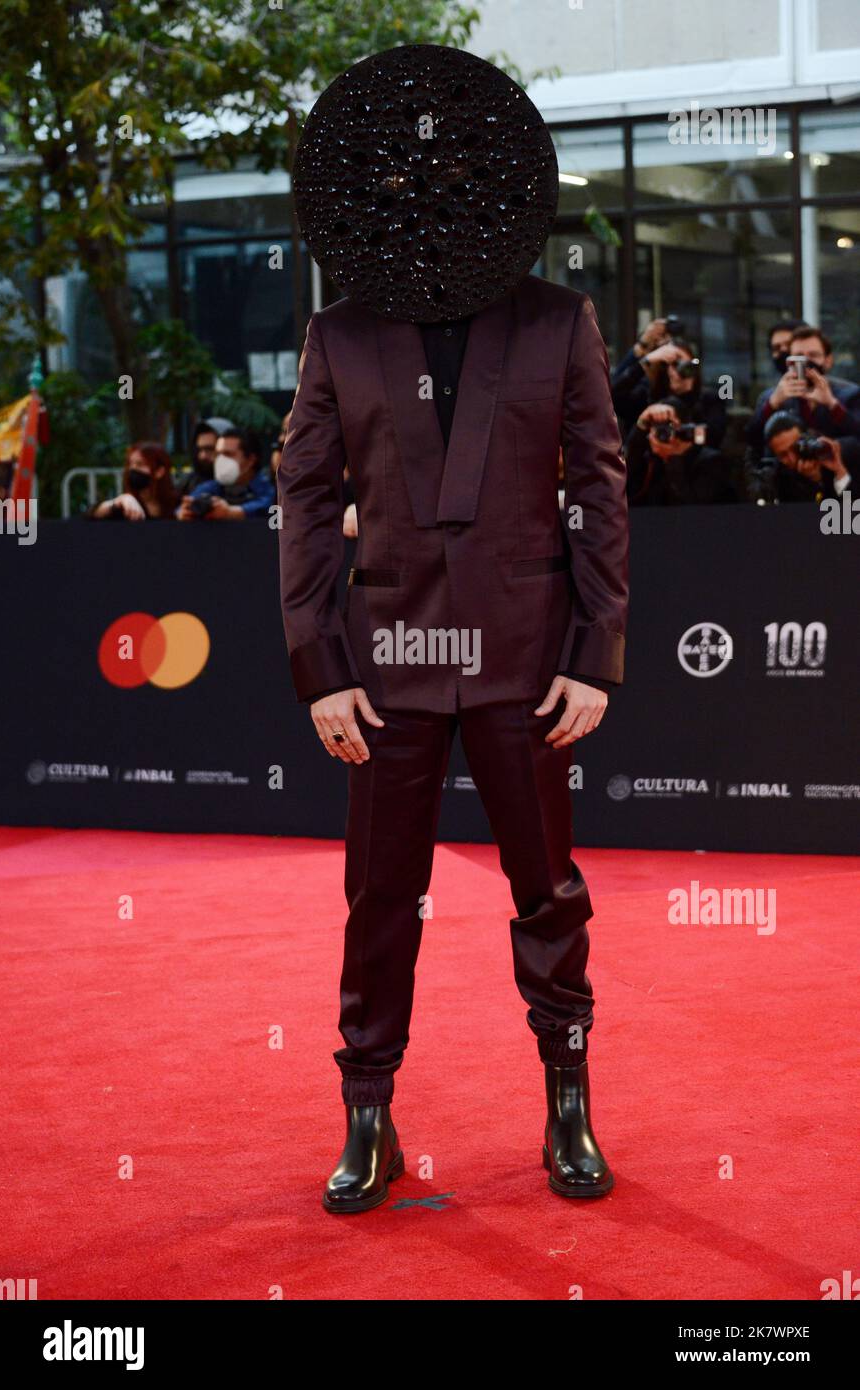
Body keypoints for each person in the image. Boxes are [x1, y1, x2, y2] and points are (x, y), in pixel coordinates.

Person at [279, 43, 629, 1214]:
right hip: (384, 672)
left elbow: (603, 489)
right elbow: (309, 503)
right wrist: (319, 666)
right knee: (380, 898)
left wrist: (597, 655)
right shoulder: (340, 337)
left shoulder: (559, 321)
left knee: (549, 891)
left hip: (529, 663)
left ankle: (568, 1105)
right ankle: (367, 1115)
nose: (425, 196)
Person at [747, 325, 860, 450]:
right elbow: (752, 439)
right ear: (789, 361)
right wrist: (773, 402)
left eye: (813, 355)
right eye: (799, 356)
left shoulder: (851, 394)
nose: (806, 362)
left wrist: (832, 404)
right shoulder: (770, 397)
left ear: (828, 360)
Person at [612, 332, 727, 448]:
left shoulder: (709, 399)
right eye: (668, 365)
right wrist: (645, 362)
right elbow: (612, 399)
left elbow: (715, 436)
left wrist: (678, 433)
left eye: (680, 363)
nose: (675, 371)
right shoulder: (647, 396)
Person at [625, 398, 735, 505]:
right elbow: (621, 479)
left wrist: (673, 457)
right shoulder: (649, 457)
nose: (663, 433)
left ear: (684, 428)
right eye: (657, 426)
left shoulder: (712, 461)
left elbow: (691, 509)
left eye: (669, 426)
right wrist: (641, 424)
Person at [748, 410, 856, 504]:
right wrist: (813, 481)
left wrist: (840, 472)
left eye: (795, 447)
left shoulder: (846, 453)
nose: (792, 458)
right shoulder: (780, 479)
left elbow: (852, 515)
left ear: (808, 437)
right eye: (783, 455)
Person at [177, 426, 274, 521]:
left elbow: (268, 505)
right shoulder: (212, 486)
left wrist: (232, 512)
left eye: (228, 454)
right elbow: (182, 508)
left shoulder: (269, 488)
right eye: (218, 454)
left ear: (250, 460)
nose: (220, 460)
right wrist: (185, 511)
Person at [89, 442, 178, 520]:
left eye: (140, 464)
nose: (133, 469)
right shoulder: (126, 506)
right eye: (130, 464)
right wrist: (118, 502)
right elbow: (93, 513)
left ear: (159, 471)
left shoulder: (178, 504)